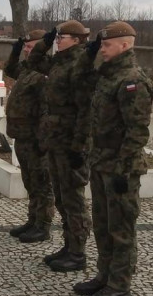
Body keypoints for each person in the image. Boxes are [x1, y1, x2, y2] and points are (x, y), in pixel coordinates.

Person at [74, 21, 153, 296]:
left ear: (124, 45)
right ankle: (104, 276)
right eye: (101, 45)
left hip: (120, 168)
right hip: (101, 163)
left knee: (121, 228)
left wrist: (124, 168)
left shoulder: (132, 81)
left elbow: (137, 131)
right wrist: (89, 52)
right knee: (102, 225)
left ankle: (120, 284)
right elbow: (79, 77)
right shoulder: (107, 76)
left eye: (106, 45)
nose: (103, 50)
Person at [25, 20, 98, 272]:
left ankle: (78, 253)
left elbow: (85, 111)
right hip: (56, 140)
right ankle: (69, 246)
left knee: (73, 198)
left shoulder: (80, 64)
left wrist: (79, 148)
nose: (58, 40)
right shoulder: (61, 61)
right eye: (56, 37)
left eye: (61, 37)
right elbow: (32, 62)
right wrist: (45, 40)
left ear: (77, 40)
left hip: (70, 142)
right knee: (61, 197)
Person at [4, 29, 54, 243]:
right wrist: (14, 53)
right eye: (24, 46)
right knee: (30, 181)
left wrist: (43, 140)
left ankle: (43, 225)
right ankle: (32, 220)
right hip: (22, 136)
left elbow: (46, 108)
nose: (26, 49)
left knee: (42, 183)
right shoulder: (27, 68)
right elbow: (9, 69)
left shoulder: (44, 71)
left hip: (35, 139)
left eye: (29, 46)